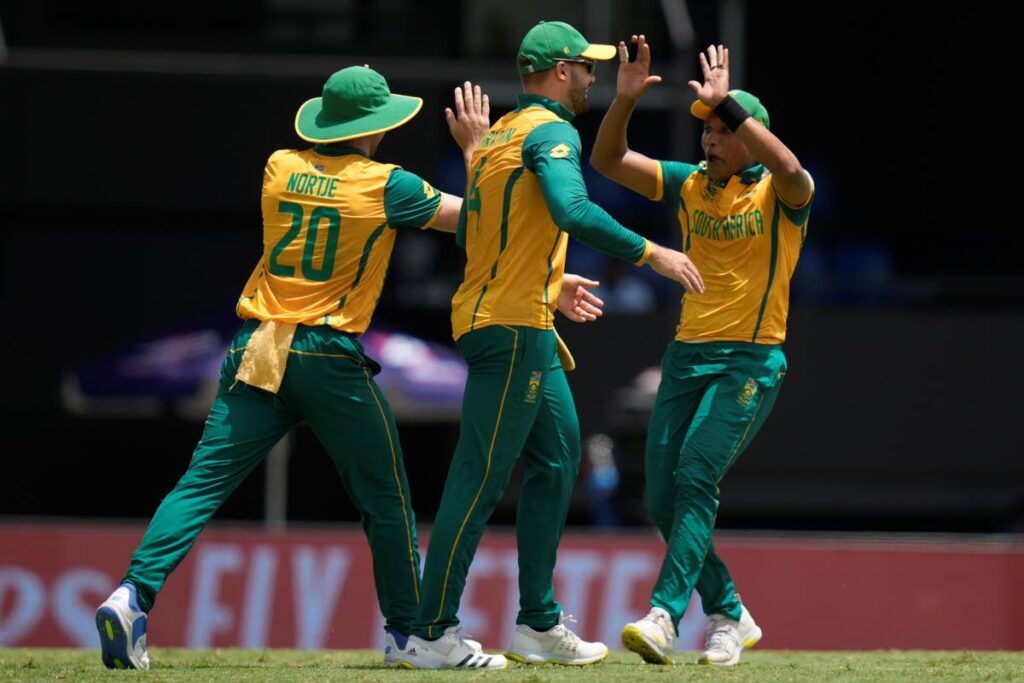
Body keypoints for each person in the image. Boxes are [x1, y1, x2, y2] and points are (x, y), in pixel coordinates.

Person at [93, 66, 492, 670]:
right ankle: (412, 637)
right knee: (386, 503)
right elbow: (484, 220)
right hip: (328, 356)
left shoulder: (280, 165)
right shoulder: (388, 184)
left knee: (199, 486)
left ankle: (131, 595)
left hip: (257, 347)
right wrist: (477, 151)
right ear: (376, 127)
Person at [395, 21, 703, 670]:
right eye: (586, 68)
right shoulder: (552, 130)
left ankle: (537, 621)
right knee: (477, 481)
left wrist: (550, 276)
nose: (592, 77)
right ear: (560, 72)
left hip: (518, 318)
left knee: (560, 458)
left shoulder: (499, 134)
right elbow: (572, 211)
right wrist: (654, 253)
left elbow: (480, 232)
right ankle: (429, 632)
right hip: (509, 329)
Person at [590, 37, 814, 667]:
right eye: (707, 132)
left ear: (750, 135)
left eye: (721, 132)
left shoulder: (780, 196)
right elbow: (608, 159)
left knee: (694, 477)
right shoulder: (690, 184)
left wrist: (734, 108)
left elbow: (793, 170)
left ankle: (664, 615)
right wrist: (624, 100)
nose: (709, 142)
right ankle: (729, 614)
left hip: (748, 360)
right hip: (687, 358)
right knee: (661, 499)